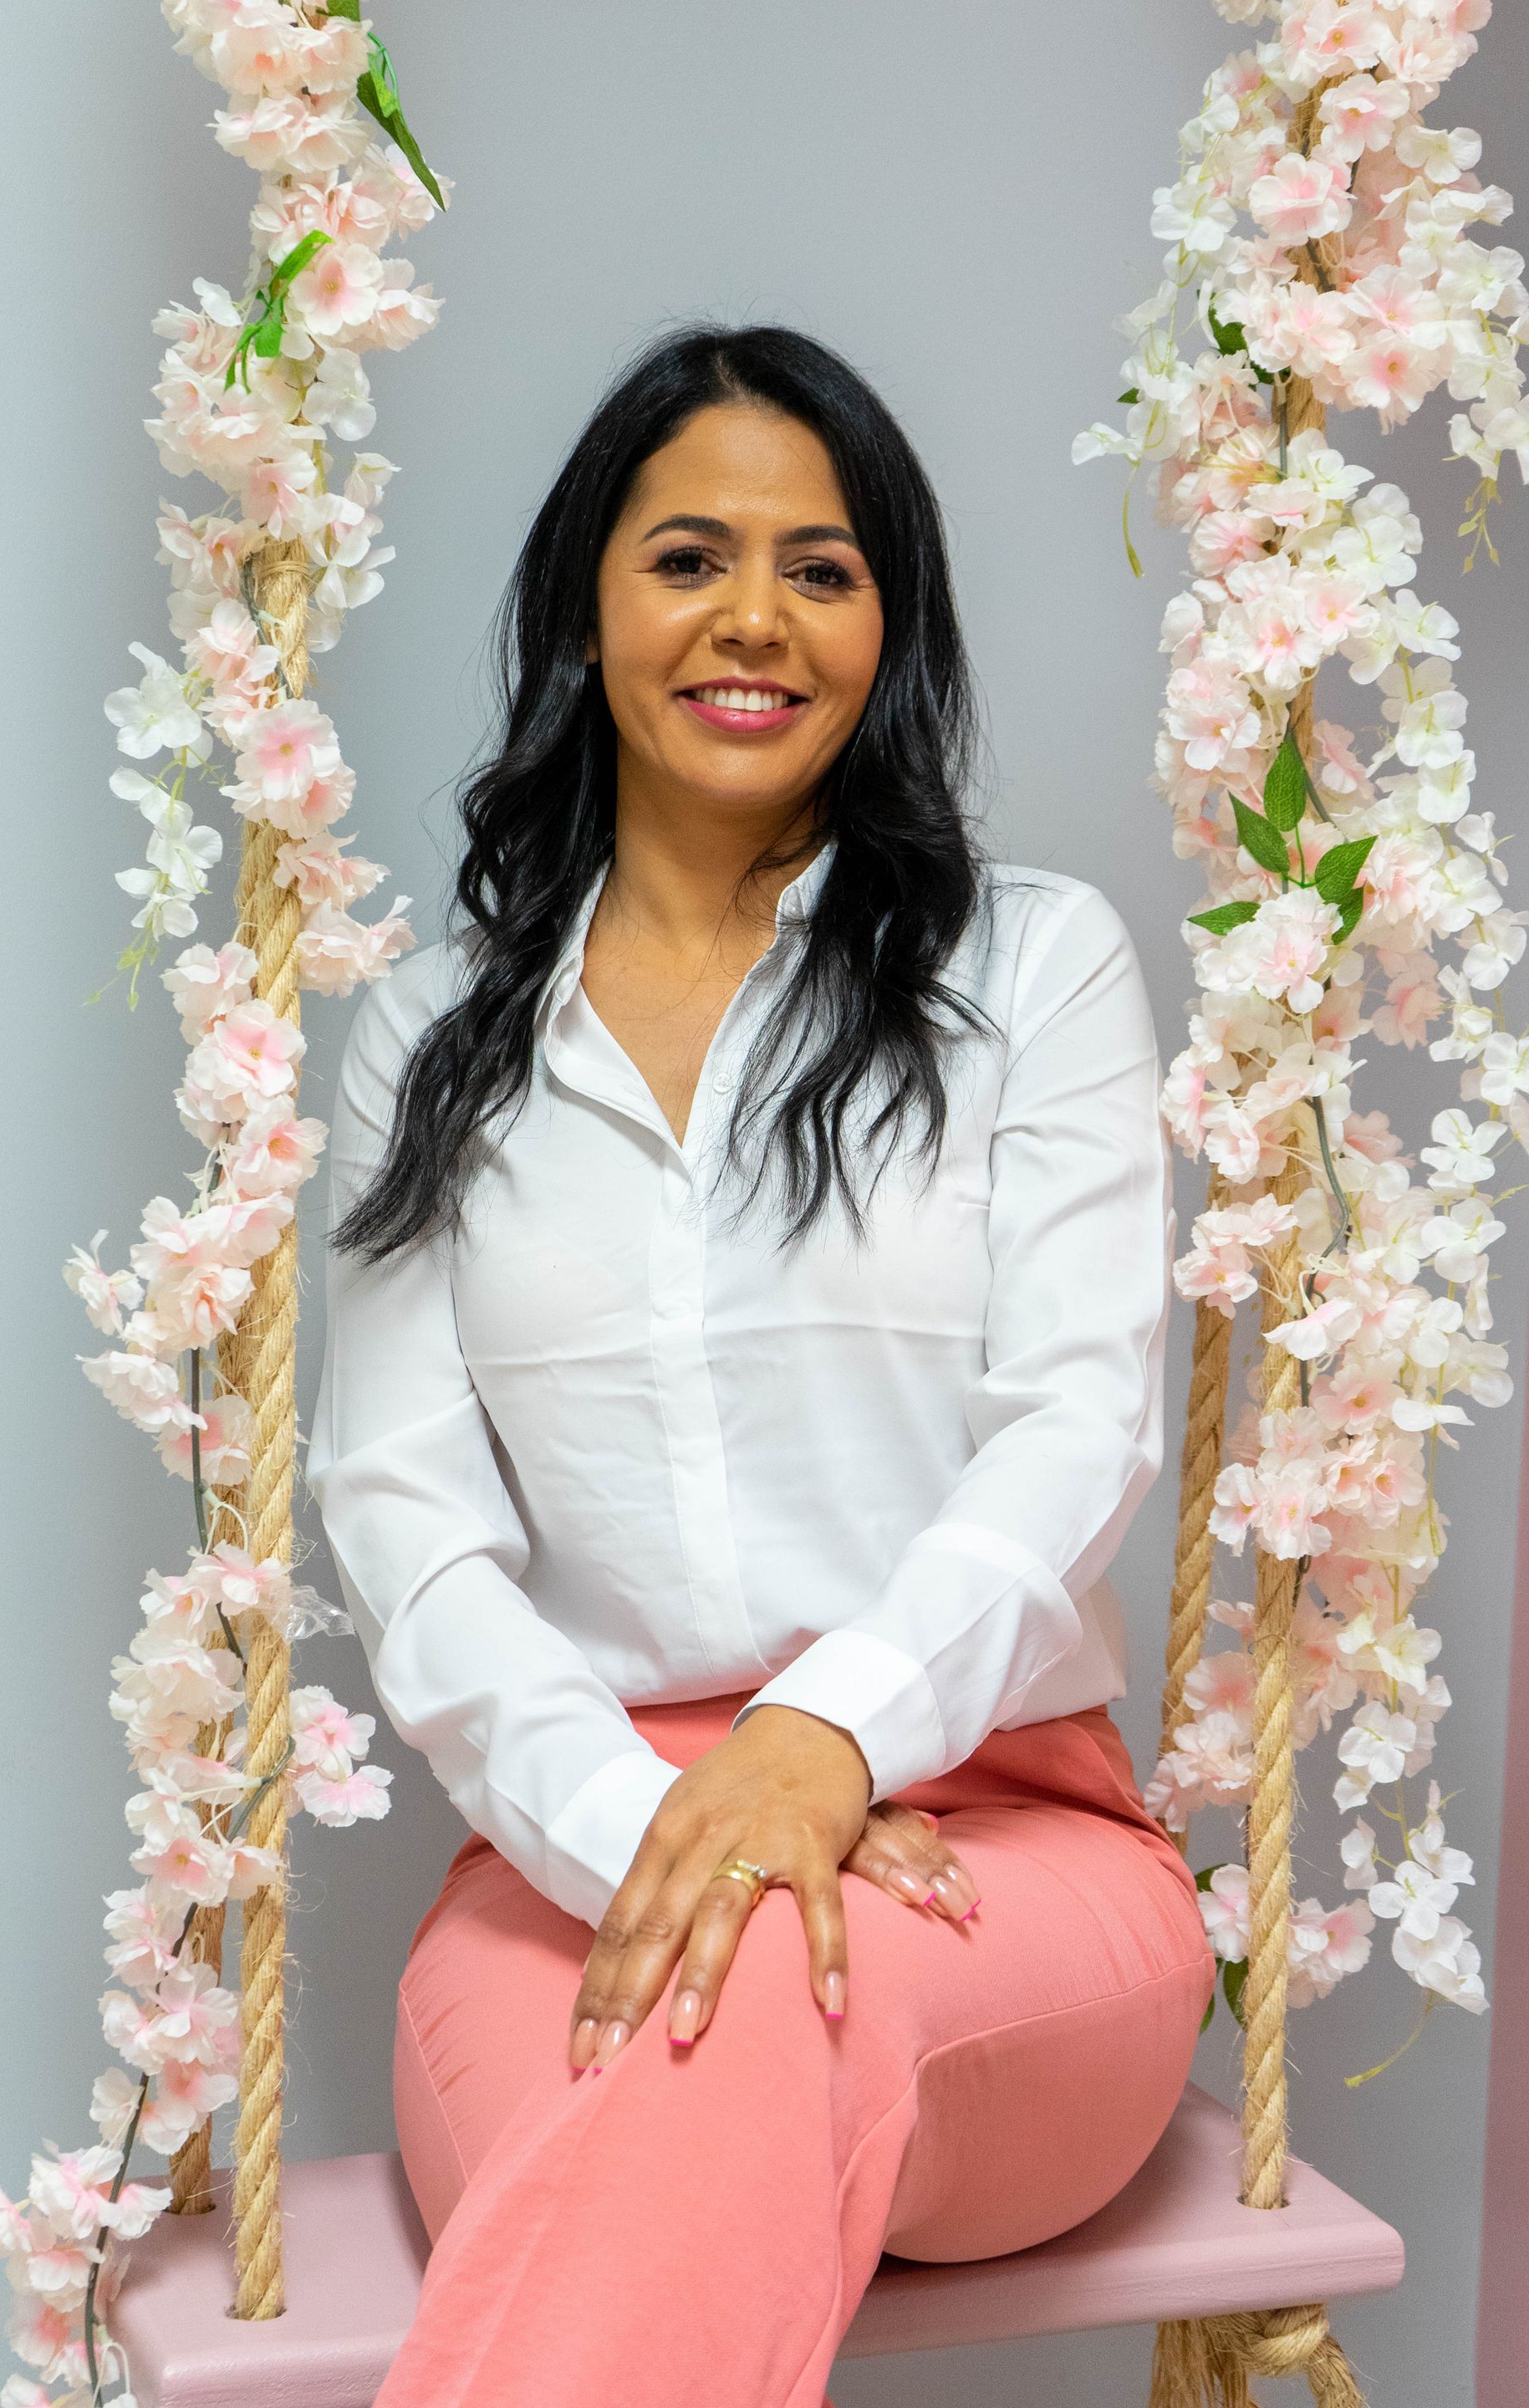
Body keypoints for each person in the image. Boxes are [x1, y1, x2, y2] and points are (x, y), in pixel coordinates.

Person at [308, 323, 1213, 2408]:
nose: (754, 619)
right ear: (585, 599)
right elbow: (405, 1524)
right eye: (689, 555)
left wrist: (820, 1750)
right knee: (715, 2003)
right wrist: (662, 1825)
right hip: (573, 1853)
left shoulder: (1034, 969)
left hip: (1002, 1854)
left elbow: (1078, 1426)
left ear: (889, 623)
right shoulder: (432, 1038)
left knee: (744, 2012)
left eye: (822, 568)